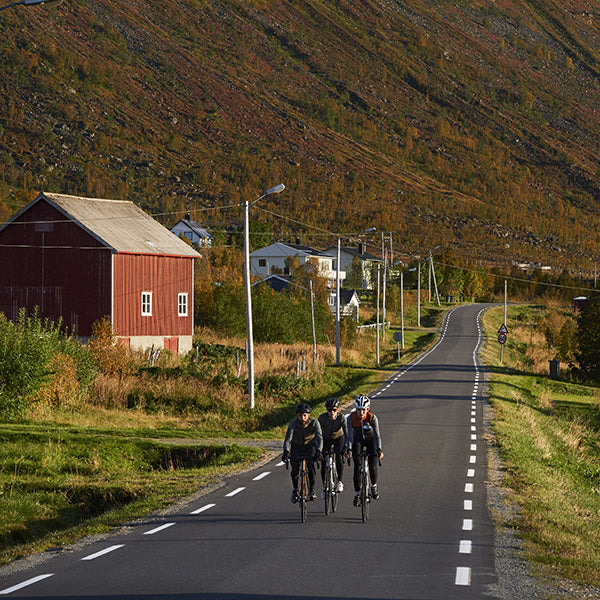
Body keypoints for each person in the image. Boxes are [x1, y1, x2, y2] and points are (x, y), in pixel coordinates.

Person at [346, 394, 384, 507]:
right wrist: (348, 449)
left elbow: (377, 436)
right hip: (357, 440)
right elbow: (349, 436)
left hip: (370, 440)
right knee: (357, 467)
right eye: (358, 410)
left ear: (368, 409)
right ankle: (357, 494)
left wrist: (379, 449)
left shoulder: (372, 417)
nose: (361, 413)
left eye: (363, 410)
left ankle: (374, 486)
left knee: (373, 466)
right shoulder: (351, 418)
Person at [282, 402, 323, 503]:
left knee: (311, 467)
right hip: (297, 446)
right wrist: (286, 451)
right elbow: (288, 439)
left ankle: (312, 490)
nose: (303, 418)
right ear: (297, 416)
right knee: (295, 469)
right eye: (300, 415)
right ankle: (296, 489)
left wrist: (319, 450)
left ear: (309, 415)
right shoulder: (293, 424)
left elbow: (319, 438)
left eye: (305, 415)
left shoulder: (314, 423)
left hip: (310, 445)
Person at [318, 397, 347, 496]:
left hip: (338, 437)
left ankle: (340, 481)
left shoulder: (341, 418)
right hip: (325, 439)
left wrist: (346, 447)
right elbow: (317, 434)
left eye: (334, 410)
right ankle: (324, 486)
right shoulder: (322, 418)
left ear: (337, 410)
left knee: (339, 456)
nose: (332, 412)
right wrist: (317, 448)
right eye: (329, 410)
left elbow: (347, 433)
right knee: (323, 461)